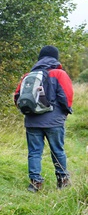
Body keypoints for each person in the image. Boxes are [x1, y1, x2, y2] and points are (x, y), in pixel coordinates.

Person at [13, 45, 74, 192]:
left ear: (40, 58)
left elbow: (17, 98)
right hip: (54, 121)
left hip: (32, 121)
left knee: (34, 152)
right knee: (57, 150)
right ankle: (62, 181)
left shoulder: (28, 75)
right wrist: (65, 112)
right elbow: (66, 96)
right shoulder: (59, 74)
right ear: (55, 57)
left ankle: (35, 183)